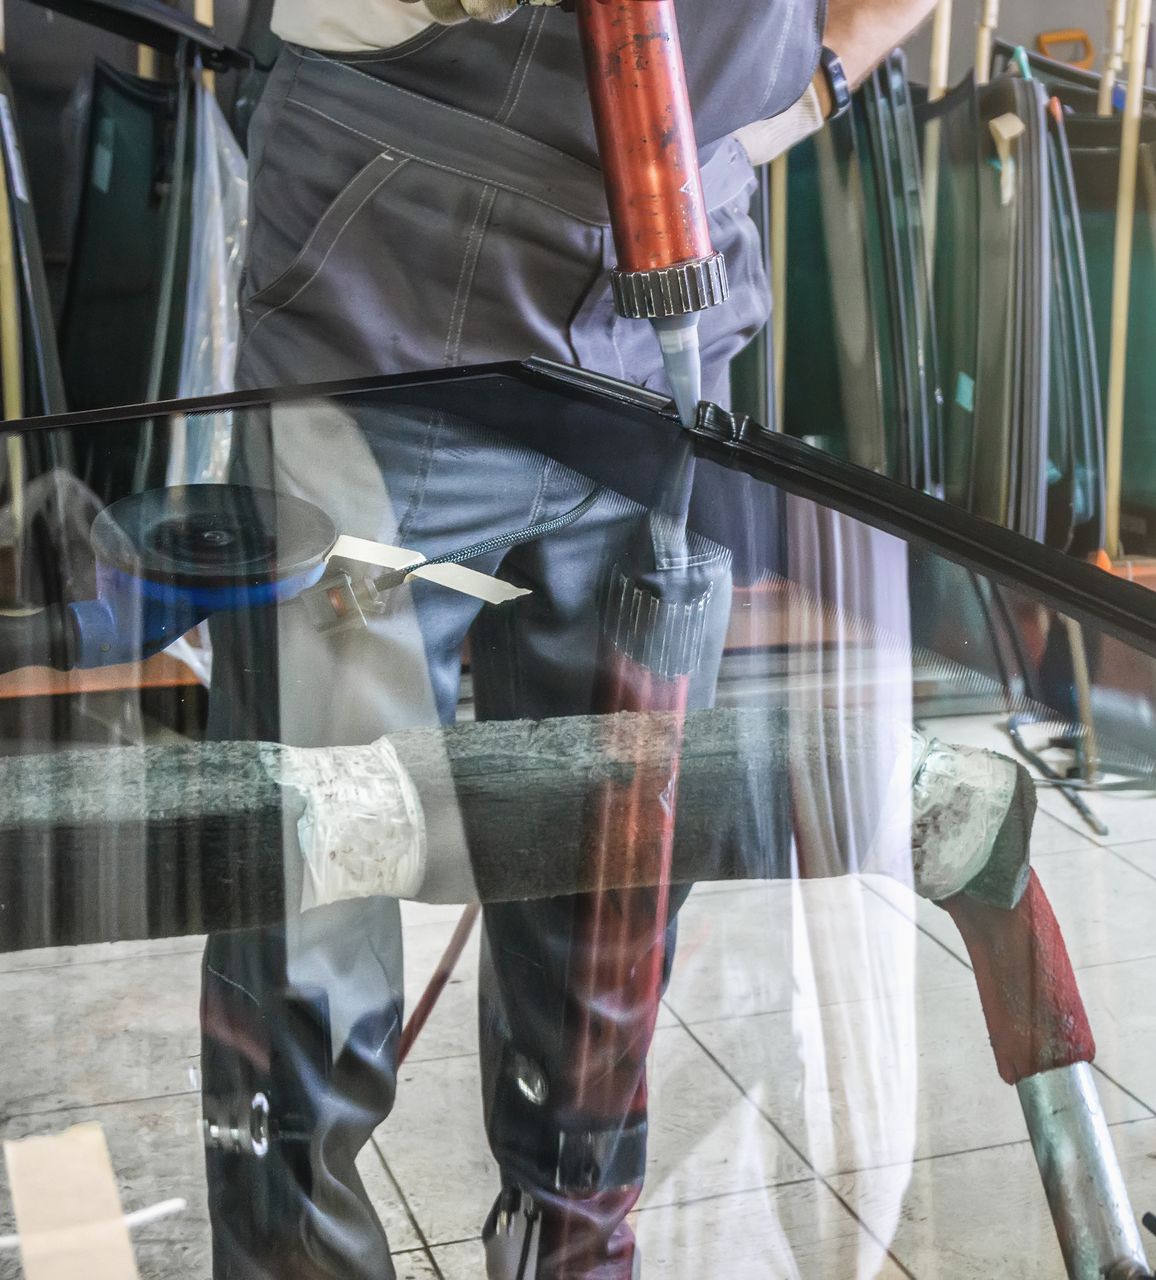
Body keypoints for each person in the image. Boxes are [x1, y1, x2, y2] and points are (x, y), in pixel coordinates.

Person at [199, 1, 935, 1276]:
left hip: (671, 307)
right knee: (314, 901)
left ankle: (573, 1247)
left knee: (611, 909)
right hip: (395, 266)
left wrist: (795, 93)